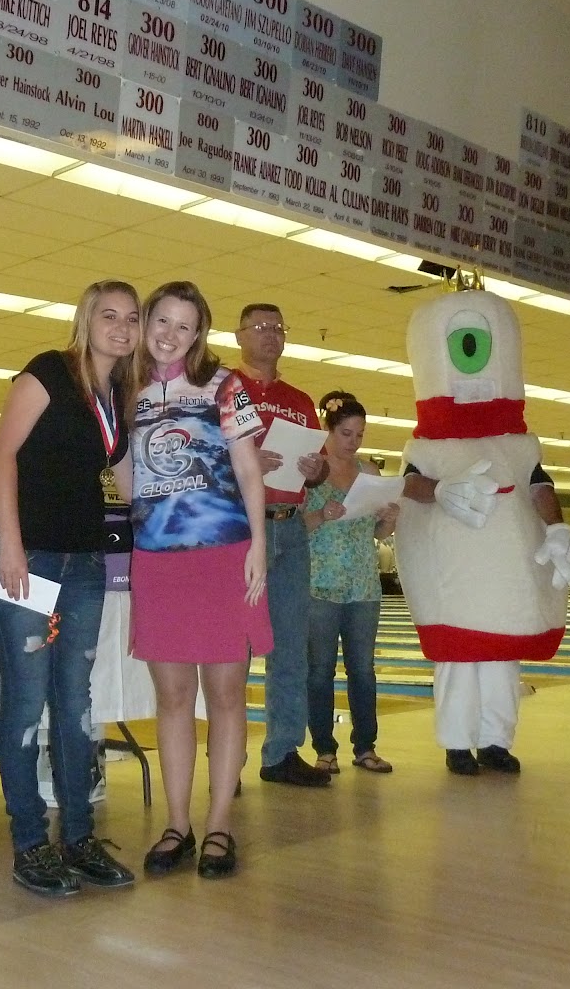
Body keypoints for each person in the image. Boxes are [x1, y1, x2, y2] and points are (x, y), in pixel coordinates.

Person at [0, 280, 141, 897]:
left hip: (83, 564)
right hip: (30, 558)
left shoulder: (116, 397)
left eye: (131, 318)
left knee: (75, 703)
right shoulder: (49, 372)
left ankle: (78, 837)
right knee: (26, 703)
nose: (122, 328)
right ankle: (29, 843)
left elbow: (131, 488)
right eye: (110, 316)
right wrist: (13, 547)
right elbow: (1, 457)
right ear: (85, 320)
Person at [394, 287, 570, 775]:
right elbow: (408, 484)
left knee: (500, 664)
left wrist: (557, 527)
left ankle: (495, 741)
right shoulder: (426, 446)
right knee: (459, 662)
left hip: (503, 585)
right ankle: (458, 743)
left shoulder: (519, 447)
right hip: (453, 582)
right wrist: (436, 490)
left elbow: (539, 485)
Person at [130, 282, 267, 879]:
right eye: (163, 320)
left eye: (184, 326)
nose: (170, 334)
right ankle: (176, 823)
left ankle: (218, 826)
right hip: (158, 558)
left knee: (226, 695)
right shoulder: (125, 392)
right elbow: (123, 472)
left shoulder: (224, 387)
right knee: (173, 697)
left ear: (199, 335)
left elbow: (246, 468)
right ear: (147, 321)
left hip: (223, 553)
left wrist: (259, 543)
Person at [230, 304, 330, 788]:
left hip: (291, 529)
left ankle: (282, 752)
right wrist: (246, 464)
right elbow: (201, 457)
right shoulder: (224, 390)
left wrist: (317, 470)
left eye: (278, 328)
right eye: (260, 328)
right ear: (239, 335)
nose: (271, 336)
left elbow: (323, 465)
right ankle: (229, 759)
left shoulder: (299, 398)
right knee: (236, 647)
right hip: (244, 530)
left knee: (290, 646)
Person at [302, 392, 398, 775]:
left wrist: (390, 519)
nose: (354, 442)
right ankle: (324, 749)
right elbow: (295, 529)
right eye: (346, 433)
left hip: (363, 585)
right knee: (320, 669)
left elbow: (377, 531)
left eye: (359, 435)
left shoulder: (370, 474)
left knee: (363, 669)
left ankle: (366, 747)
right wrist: (322, 514)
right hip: (320, 584)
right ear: (328, 430)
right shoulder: (309, 471)